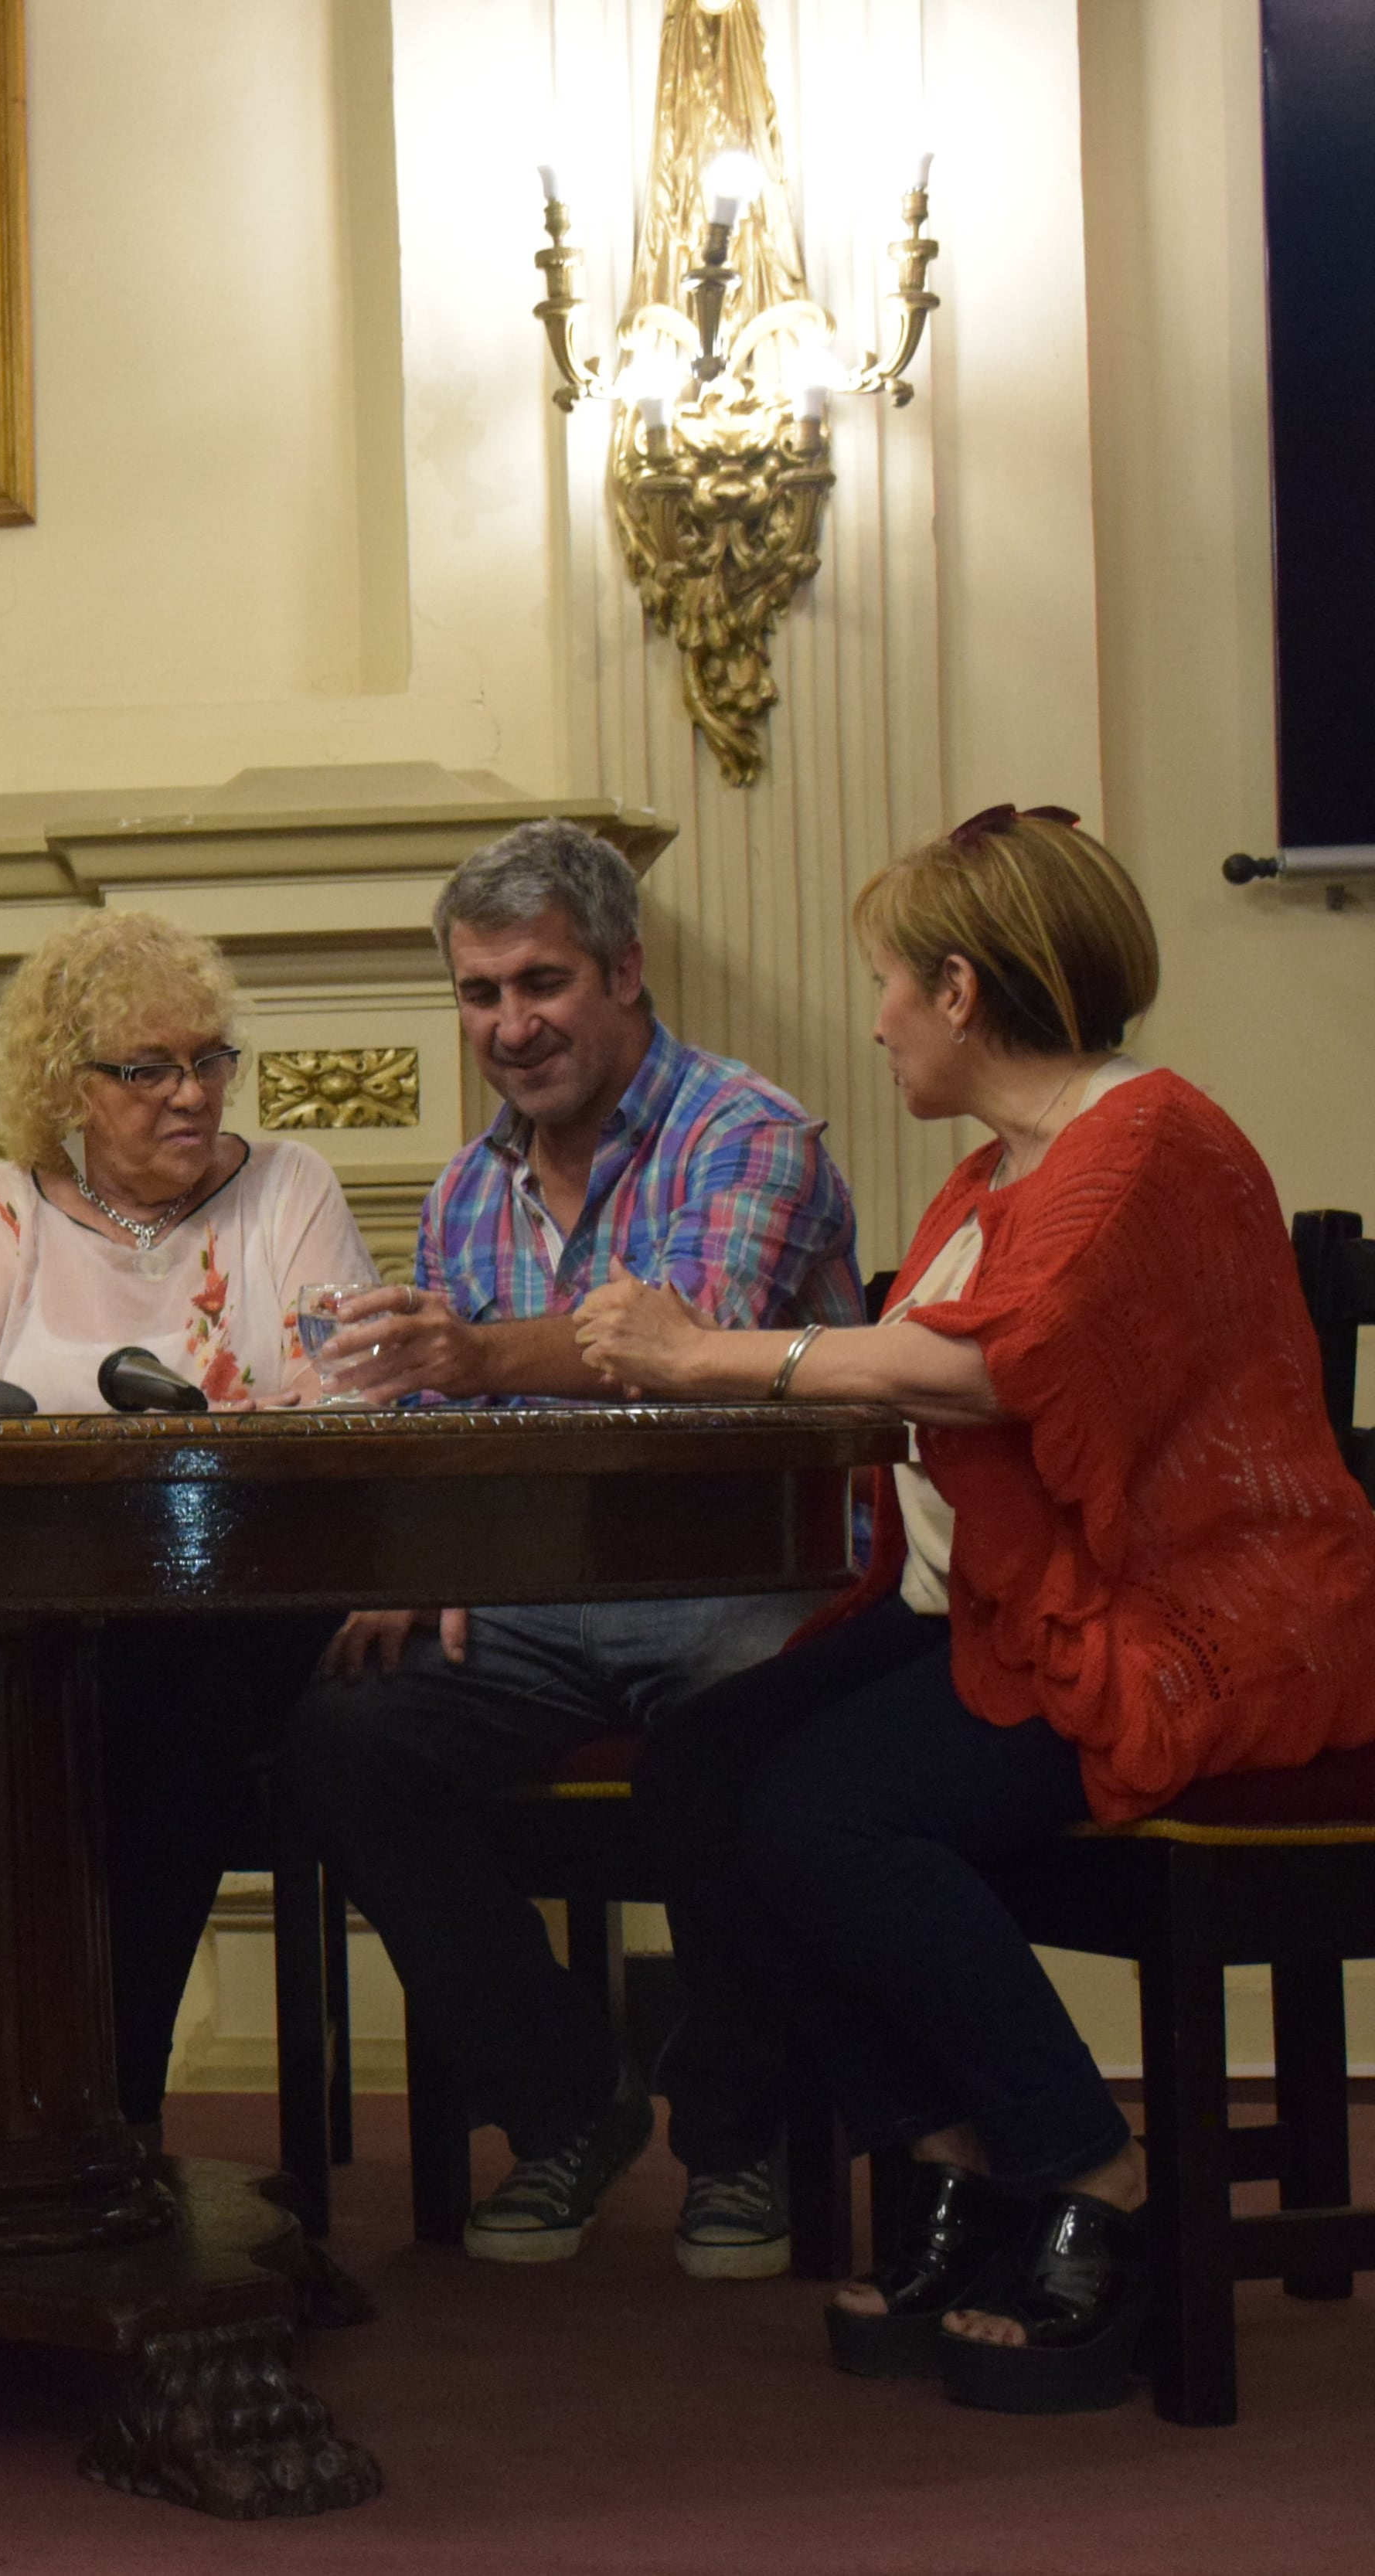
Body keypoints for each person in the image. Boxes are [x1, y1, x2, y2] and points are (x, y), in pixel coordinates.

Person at [580, 805, 1375, 2411]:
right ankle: (936, 2145)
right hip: (1002, 1611)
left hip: (1178, 1623)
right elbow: (918, 1388)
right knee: (704, 1766)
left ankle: (1091, 2166)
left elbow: (988, 1364)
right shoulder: (981, 1179)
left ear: (957, 984)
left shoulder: (1147, 1139)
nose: (871, 1017)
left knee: (826, 1815)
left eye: (883, 981)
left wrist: (703, 1355)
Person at [277, 815, 862, 2275]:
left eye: (539, 983)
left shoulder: (749, 1130)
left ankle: (742, 2140)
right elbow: (446, 1418)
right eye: (479, 994)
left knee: (725, 1743)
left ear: (624, 970)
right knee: (340, 1730)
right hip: (546, 1595)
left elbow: (690, 1346)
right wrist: (425, 1555)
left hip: (749, 1578)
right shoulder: (472, 1184)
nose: (510, 1025)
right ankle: (566, 2104)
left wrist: (475, 1358)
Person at [0, 907, 376, 2142]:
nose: (191, 1094)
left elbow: (350, 1407)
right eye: (147, 1069)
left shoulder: (287, 1190)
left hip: (251, 1601)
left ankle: (104, 2109)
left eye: (209, 1059)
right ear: (67, 1085)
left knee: (169, 1690)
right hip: (39, 1621)